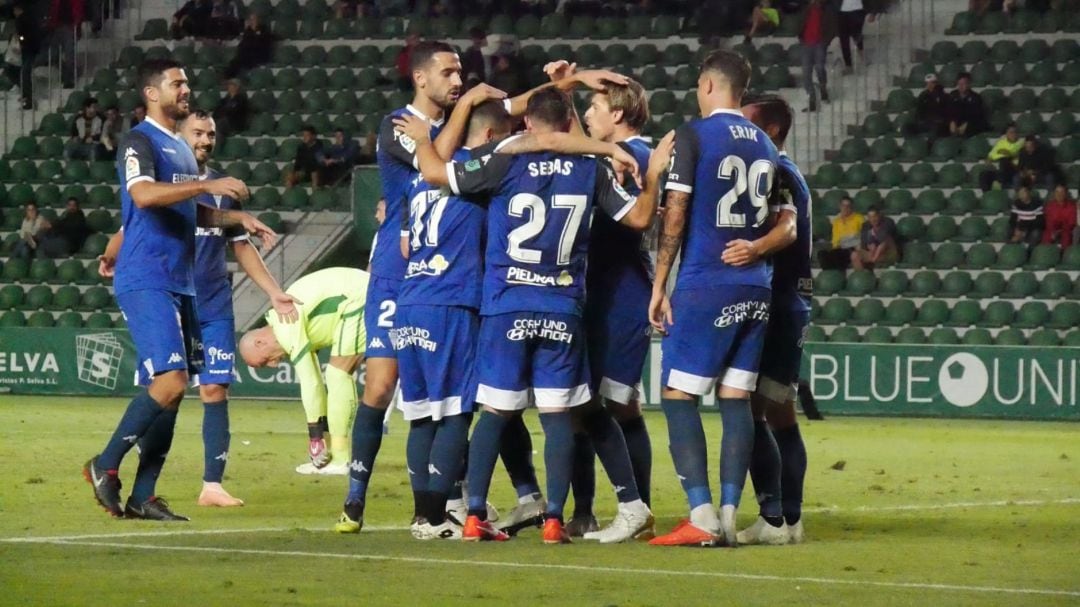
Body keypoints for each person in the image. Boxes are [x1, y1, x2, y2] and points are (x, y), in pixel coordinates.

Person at [404, 86, 664, 544]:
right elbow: (641, 219)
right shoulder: (592, 167)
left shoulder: (504, 158)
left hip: (506, 304)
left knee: (496, 412)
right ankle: (553, 521)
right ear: (569, 125)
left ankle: (475, 515)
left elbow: (431, 172)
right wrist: (653, 177)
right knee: (559, 414)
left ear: (528, 124)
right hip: (562, 305)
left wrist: (425, 137)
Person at [82, 59, 271, 522]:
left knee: (174, 390)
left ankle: (145, 496)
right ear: (151, 92)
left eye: (186, 82)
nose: (186, 89)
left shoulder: (183, 153)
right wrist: (208, 185)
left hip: (180, 281)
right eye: (177, 83)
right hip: (147, 275)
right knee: (169, 381)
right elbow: (144, 196)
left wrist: (234, 218)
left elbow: (193, 213)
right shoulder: (139, 140)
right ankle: (104, 464)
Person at [98, 110, 299, 505]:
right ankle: (138, 486)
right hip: (170, 297)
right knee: (167, 390)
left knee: (214, 387)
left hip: (213, 304)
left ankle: (211, 485)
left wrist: (274, 292)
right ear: (180, 137)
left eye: (210, 134)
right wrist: (110, 257)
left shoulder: (220, 188)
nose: (205, 140)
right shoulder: (167, 183)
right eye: (197, 133)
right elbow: (128, 228)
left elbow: (240, 244)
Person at [648, 50, 781, 548]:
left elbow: (676, 212)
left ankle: (700, 514)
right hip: (756, 284)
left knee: (679, 393)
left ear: (707, 84)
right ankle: (728, 513)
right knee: (734, 396)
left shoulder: (693, 135)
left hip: (707, 280)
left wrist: (660, 283)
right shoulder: (767, 143)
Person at [335, 40, 464, 536]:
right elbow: (439, 159)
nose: (458, 81)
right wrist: (470, 106)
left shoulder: (459, 126)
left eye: (462, 74)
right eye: (449, 73)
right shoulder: (399, 125)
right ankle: (354, 497)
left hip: (441, 272)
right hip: (395, 267)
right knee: (381, 384)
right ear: (422, 79)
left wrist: (559, 86)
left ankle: (430, 507)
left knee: (437, 393)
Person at [563, 77, 657, 541]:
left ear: (617, 115)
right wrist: (566, 88)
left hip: (621, 296)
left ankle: (630, 508)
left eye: (595, 108)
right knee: (590, 404)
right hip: (601, 294)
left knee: (614, 404)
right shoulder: (611, 155)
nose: (588, 118)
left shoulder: (634, 158)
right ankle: (599, 511)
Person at [736, 94, 810, 546]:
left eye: (747, 125)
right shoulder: (791, 173)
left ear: (772, 131)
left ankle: (773, 517)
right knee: (782, 414)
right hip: (792, 303)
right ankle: (792, 517)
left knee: (749, 411)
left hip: (779, 305)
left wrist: (753, 250)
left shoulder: (777, 173)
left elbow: (787, 231)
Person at [239, 268, 368, 476]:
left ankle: (341, 460)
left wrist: (315, 438)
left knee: (337, 374)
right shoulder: (286, 323)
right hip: (360, 294)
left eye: (265, 361)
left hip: (360, 298)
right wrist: (320, 436)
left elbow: (310, 383)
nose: (273, 366)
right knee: (335, 375)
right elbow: (315, 378)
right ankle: (333, 459)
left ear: (260, 342)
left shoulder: (285, 325)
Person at [1, 1, 43, 110]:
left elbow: (25, 36)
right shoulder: (23, 19)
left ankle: (28, 99)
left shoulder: (25, 19)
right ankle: (25, 94)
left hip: (29, 50)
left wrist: (20, 40)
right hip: (26, 50)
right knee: (16, 71)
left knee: (24, 73)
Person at [797, 0, 837, 112]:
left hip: (820, 43)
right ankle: (812, 99)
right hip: (806, 43)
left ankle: (823, 87)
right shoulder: (806, 9)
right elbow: (800, 23)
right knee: (806, 73)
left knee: (820, 67)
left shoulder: (827, 9)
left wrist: (826, 41)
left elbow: (832, 26)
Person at [225, 14, 275, 79]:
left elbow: (264, 43)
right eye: (251, 19)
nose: (252, 21)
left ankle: (229, 77)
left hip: (259, 55)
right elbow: (243, 44)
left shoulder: (264, 29)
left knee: (239, 61)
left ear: (258, 20)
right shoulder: (248, 31)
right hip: (248, 54)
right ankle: (228, 78)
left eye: (254, 19)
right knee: (236, 61)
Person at [818, 196, 863, 270]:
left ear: (851, 207)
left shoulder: (859, 219)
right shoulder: (836, 221)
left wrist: (847, 241)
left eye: (848, 206)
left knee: (839, 255)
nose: (845, 208)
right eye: (843, 206)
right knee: (822, 254)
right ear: (840, 207)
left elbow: (861, 237)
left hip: (852, 249)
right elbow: (835, 241)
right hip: (839, 248)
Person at [850, 206, 898, 270]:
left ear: (879, 215)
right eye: (870, 217)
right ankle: (862, 277)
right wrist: (869, 245)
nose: (873, 219)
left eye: (875, 216)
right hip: (872, 252)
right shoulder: (865, 225)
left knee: (885, 240)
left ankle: (873, 259)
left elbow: (885, 236)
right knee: (854, 254)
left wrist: (874, 243)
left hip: (888, 253)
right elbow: (864, 242)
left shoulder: (888, 222)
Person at [978, 123, 1023, 191]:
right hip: (1002, 172)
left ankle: (999, 183)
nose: (1013, 134)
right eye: (1011, 132)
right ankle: (987, 195)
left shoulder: (1021, 143)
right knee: (983, 175)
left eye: (1015, 132)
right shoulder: (1001, 143)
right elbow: (991, 155)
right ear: (1006, 134)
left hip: (1015, 170)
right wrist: (989, 159)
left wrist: (1004, 153)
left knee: (1004, 160)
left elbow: (1013, 153)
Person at [907, 73, 949, 137]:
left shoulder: (943, 95)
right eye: (927, 83)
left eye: (932, 83)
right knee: (907, 128)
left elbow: (945, 112)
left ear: (936, 83)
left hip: (937, 123)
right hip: (925, 123)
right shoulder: (923, 95)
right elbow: (919, 110)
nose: (929, 85)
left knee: (937, 128)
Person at [947, 72, 988, 137]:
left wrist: (966, 124)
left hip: (970, 124)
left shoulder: (976, 97)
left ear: (969, 84)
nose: (961, 86)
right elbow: (949, 111)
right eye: (959, 84)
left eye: (963, 84)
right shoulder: (953, 95)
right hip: (955, 123)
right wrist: (952, 121)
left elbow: (977, 115)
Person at [1042, 185, 1076, 250]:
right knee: (1047, 235)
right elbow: (1048, 221)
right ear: (1054, 194)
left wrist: (1060, 230)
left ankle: (1064, 255)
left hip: (1066, 230)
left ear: (1065, 194)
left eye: (1062, 192)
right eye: (1057, 192)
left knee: (1066, 236)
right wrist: (1054, 231)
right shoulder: (1050, 206)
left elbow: (1071, 223)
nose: (1059, 194)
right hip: (1052, 229)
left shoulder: (1071, 206)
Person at [837, 0, 866, 73]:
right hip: (842, 11)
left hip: (857, 9)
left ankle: (862, 55)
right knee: (844, 39)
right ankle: (848, 65)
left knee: (857, 34)